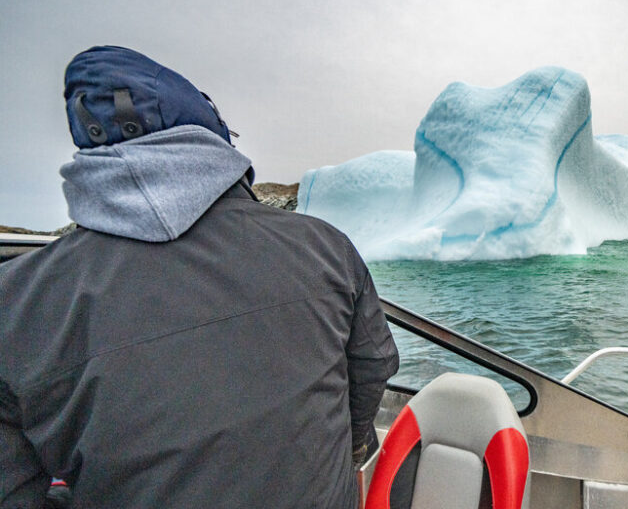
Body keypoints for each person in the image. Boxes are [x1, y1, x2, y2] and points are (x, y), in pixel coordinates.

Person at [0, 46, 400, 508]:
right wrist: (350, 448)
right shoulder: (324, 246)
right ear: (211, 139)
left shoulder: (15, 298)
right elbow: (374, 363)